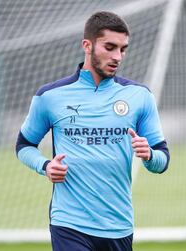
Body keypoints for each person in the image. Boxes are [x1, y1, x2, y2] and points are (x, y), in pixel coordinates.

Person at [15, 11, 170, 251]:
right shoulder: (50, 96)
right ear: (87, 45)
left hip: (119, 225)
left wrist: (149, 155)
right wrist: (45, 166)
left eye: (122, 49)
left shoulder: (140, 96)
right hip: (69, 223)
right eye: (109, 47)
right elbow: (24, 146)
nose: (117, 56)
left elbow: (162, 161)